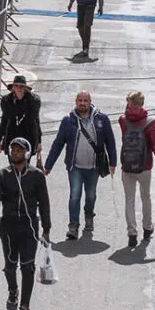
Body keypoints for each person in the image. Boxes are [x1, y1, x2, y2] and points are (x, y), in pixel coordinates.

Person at [0, 137, 51, 310]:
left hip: (29, 228)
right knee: (10, 265)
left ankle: (24, 308)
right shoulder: (2, 175)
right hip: (8, 227)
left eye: (19, 150)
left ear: (27, 153)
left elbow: (44, 203)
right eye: (13, 150)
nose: (15, 153)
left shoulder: (36, 176)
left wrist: (47, 228)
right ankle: (13, 290)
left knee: (28, 267)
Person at [44, 90, 116, 240]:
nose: (82, 103)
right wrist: (48, 165)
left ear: (90, 102)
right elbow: (58, 144)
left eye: (85, 100)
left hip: (93, 168)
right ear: (76, 102)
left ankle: (89, 216)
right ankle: (73, 225)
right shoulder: (68, 121)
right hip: (75, 167)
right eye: (80, 100)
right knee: (75, 195)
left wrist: (113, 162)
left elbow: (110, 141)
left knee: (91, 195)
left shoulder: (102, 119)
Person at [119, 91, 155, 248]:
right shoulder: (150, 123)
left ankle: (132, 233)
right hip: (145, 167)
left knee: (129, 199)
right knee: (145, 197)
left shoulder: (122, 120)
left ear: (129, 103)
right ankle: (147, 227)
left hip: (127, 166)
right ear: (142, 104)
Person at [0, 75, 42, 162]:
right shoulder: (7, 100)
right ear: (13, 87)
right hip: (12, 135)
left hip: (28, 135)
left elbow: (36, 120)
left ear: (25, 88)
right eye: (16, 86)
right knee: (13, 163)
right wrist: (0, 139)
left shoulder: (33, 101)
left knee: (25, 163)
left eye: (21, 86)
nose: (19, 88)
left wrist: (39, 142)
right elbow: (4, 119)